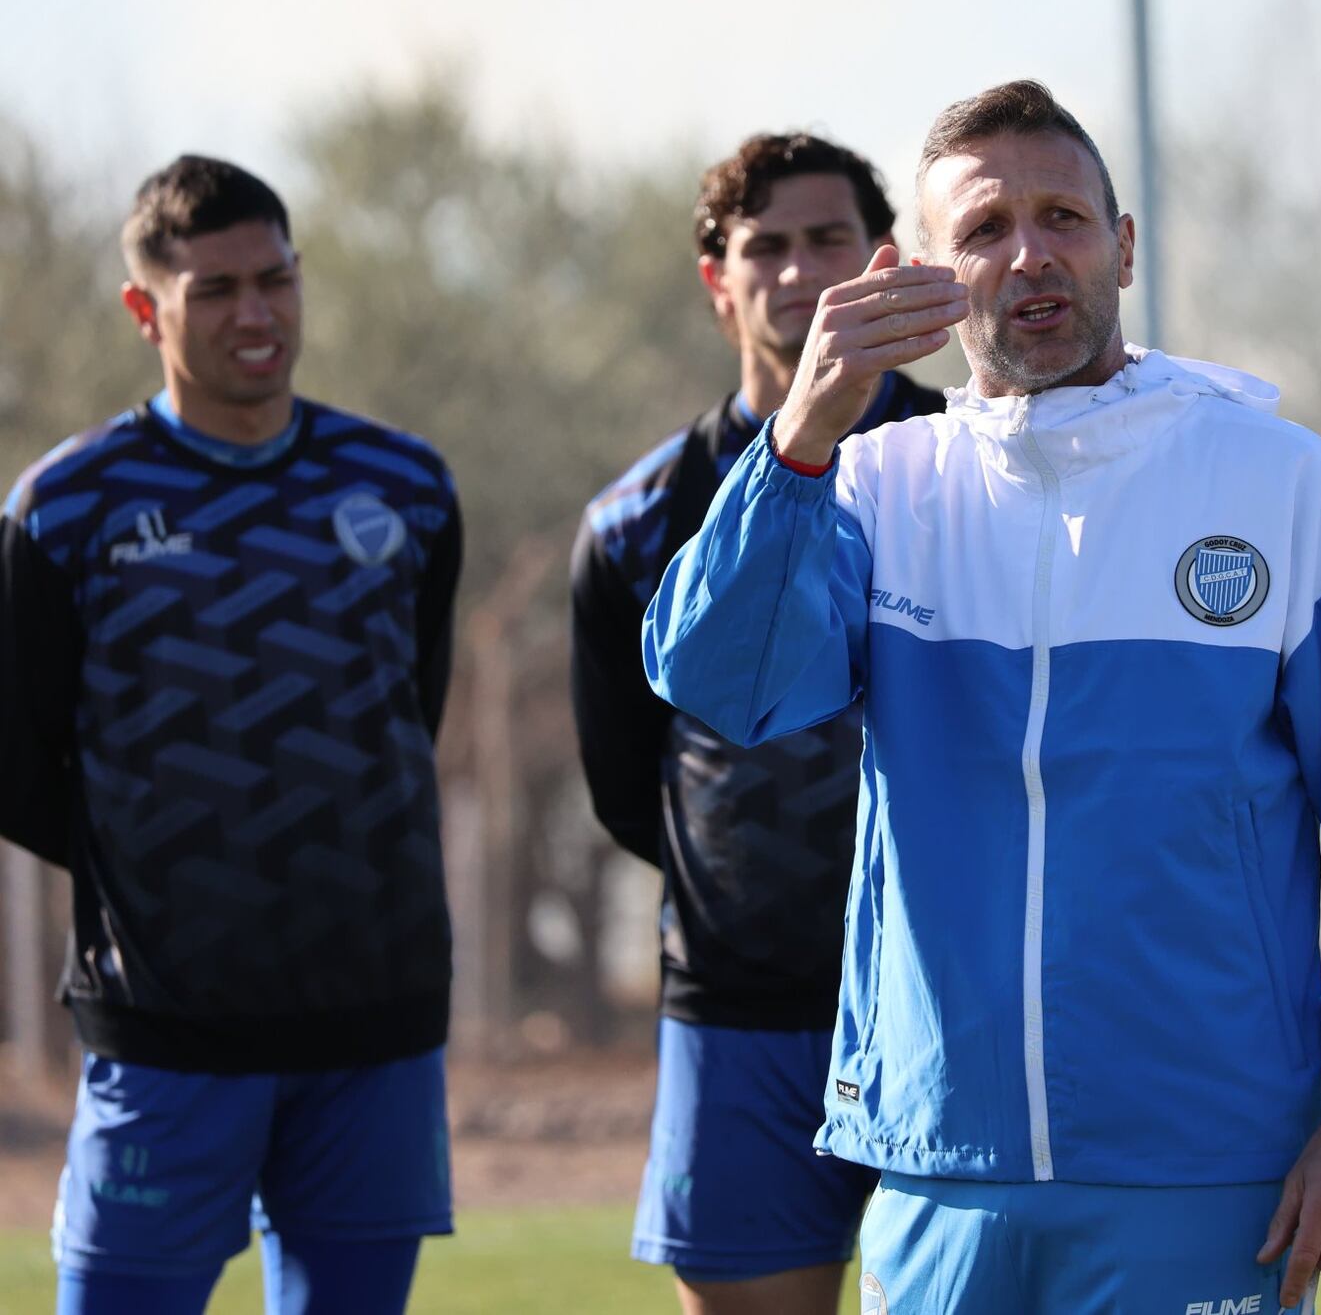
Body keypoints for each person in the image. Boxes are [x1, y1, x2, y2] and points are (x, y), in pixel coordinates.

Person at [642, 80, 1321, 1314]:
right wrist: (800, 432)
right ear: (928, 274)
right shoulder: (875, 488)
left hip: (1206, 1177)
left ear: (1125, 246)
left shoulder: (1283, 485)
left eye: (1062, 217)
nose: (1029, 254)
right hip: (939, 1176)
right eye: (983, 229)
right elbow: (722, 680)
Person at [0, 156, 463, 1315]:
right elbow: (16, 766)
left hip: (375, 1023)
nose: (255, 313)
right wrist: (161, 866)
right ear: (143, 307)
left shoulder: (404, 485)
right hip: (168, 1032)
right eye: (214, 290)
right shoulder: (66, 507)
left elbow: (408, 710)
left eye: (274, 279)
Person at [570, 132, 945, 1315]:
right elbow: (628, 788)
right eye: (764, 246)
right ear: (715, 280)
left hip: (949, 1007)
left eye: (826, 239)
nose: (796, 270)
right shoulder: (637, 518)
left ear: (880, 261)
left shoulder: (972, 467)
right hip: (738, 1018)